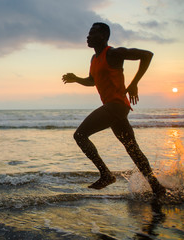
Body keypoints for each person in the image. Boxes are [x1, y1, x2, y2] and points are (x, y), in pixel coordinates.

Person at [62, 22, 166, 198]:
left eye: (92, 33)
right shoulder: (94, 59)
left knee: (80, 135)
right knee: (132, 149)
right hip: (116, 109)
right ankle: (157, 188)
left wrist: (134, 83)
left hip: (116, 106)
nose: (88, 36)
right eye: (88, 33)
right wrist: (76, 79)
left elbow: (147, 55)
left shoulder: (113, 53)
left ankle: (106, 174)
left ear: (103, 36)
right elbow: (92, 80)